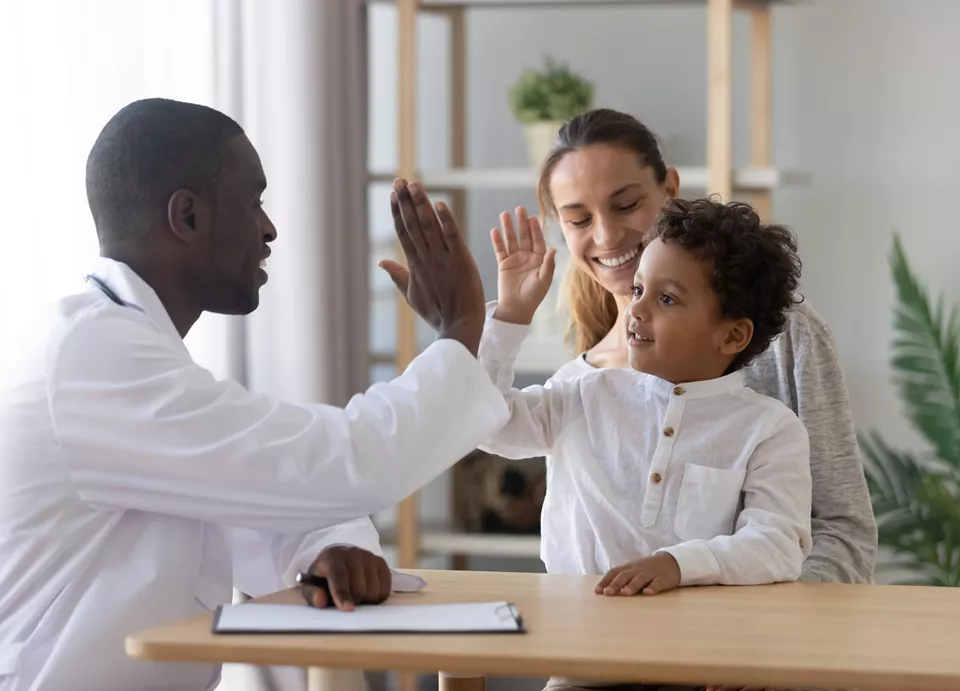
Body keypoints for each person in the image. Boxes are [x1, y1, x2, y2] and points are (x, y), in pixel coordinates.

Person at [0, 98, 510, 691]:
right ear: (187, 216)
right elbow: (340, 461)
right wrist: (461, 328)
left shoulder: (119, 347)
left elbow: (257, 492)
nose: (269, 230)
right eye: (254, 203)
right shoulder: (94, 355)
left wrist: (327, 547)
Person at [514, 108, 878, 691]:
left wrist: (764, 640)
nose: (606, 235)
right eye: (578, 218)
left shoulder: (786, 338)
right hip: (596, 658)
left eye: (627, 204)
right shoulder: (580, 387)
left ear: (670, 190)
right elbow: (484, 420)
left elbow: (841, 529)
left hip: (749, 659)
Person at [475, 196, 812, 691]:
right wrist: (508, 318)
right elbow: (486, 423)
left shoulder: (770, 429)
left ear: (733, 335)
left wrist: (679, 565)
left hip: (705, 663)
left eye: (667, 299)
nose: (636, 309)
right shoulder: (583, 393)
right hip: (582, 659)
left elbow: (778, 545)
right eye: (638, 289)